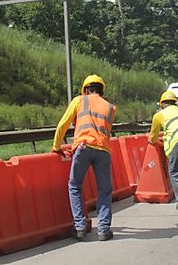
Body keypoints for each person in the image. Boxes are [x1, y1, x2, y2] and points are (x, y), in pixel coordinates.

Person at [51, 74, 117, 241]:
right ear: (102, 91)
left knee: (74, 185)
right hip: (103, 150)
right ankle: (103, 230)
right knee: (104, 190)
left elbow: (62, 125)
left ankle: (80, 227)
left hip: (84, 147)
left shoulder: (80, 100)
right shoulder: (110, 107)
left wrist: (56, 147)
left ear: (86, 89)